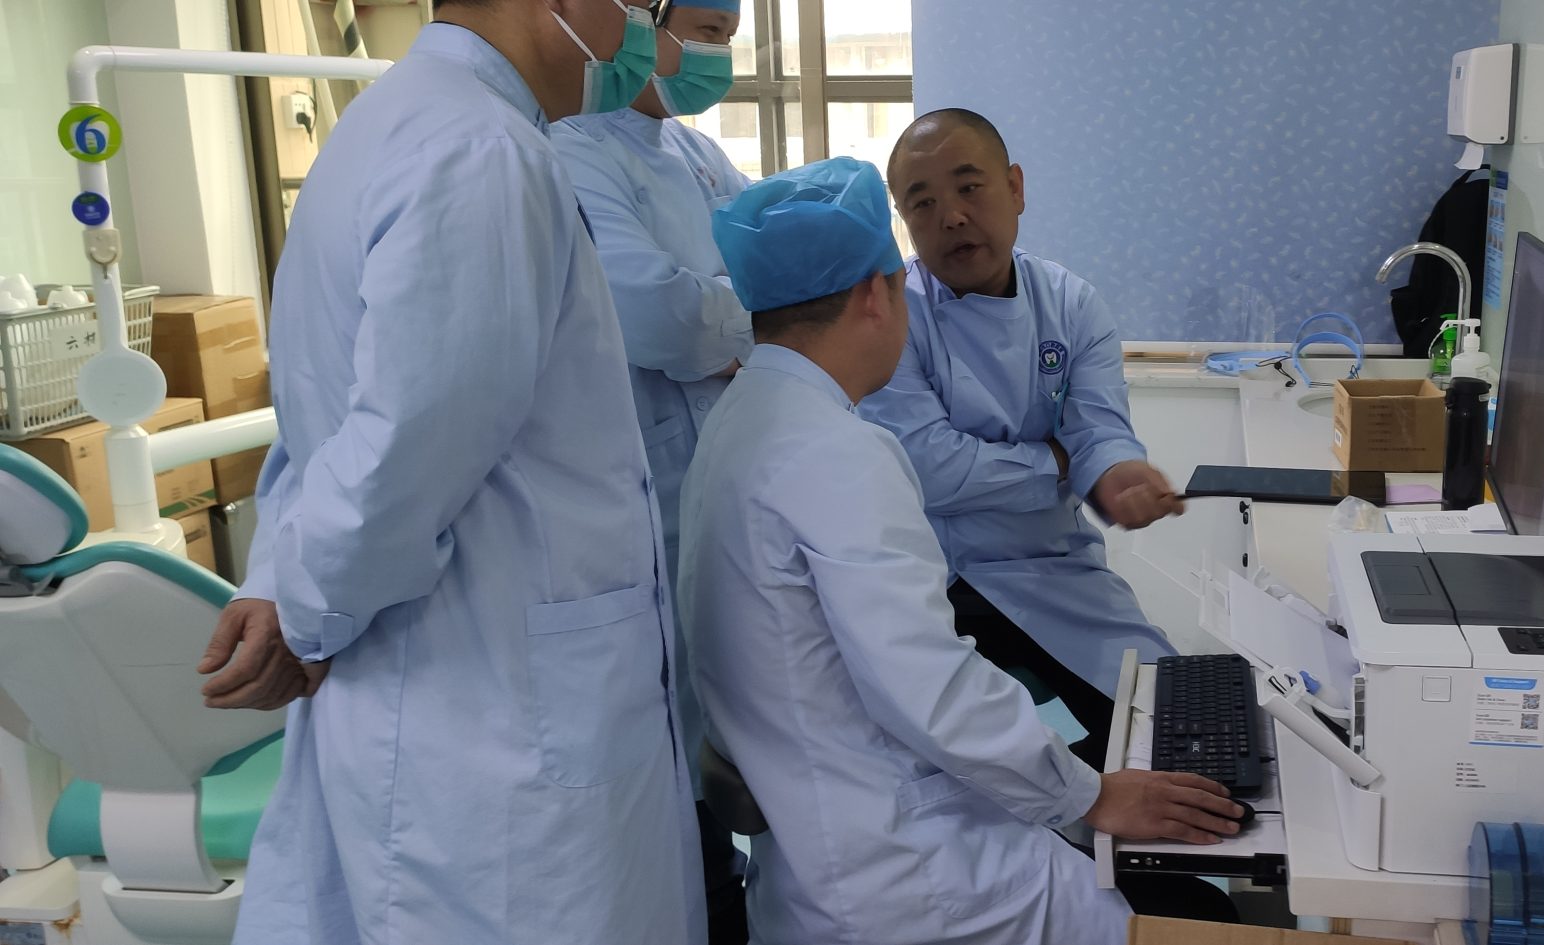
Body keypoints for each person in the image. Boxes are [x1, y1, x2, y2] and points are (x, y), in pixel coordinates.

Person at [192, 1, 704, 942]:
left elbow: (328, 431)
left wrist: (283, 580)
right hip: (490, 715)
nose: (645, 27)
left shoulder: (406, 122)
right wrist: (301, 610)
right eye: (638, 3)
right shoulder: (480, 150)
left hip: (449, 690)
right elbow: (405, 448)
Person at [680, 157, 1244, 945]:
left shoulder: (740, 418)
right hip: (910, 873)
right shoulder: (836, 450)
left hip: (824, 846)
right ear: (877, 294)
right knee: (1195, 910)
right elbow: (932, 688)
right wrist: (1090, 794)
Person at [860, 107, 1184, 769]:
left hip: (1058, 565)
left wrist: (1117, 471)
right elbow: (928, 468)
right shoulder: (893, 316)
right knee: (1032, 760)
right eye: (922, 203)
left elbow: (1100, 430)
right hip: (943, 582)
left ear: (1015, 187)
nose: (952, 217)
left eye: (969, 187)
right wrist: (1062, 460)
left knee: (1169, 713)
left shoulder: (1072, 304)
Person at [550, 1, 751, 936]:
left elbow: (788, 280)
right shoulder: (571, 148)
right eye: (701, 30)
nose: (714, 56)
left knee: (738, 717)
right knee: (671, 750)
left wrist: (726, 324)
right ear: (644, 19)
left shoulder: (699, 156)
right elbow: (655, 314)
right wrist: (744, 323)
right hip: (646, 486)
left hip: (731, 469)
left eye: (726, 37)